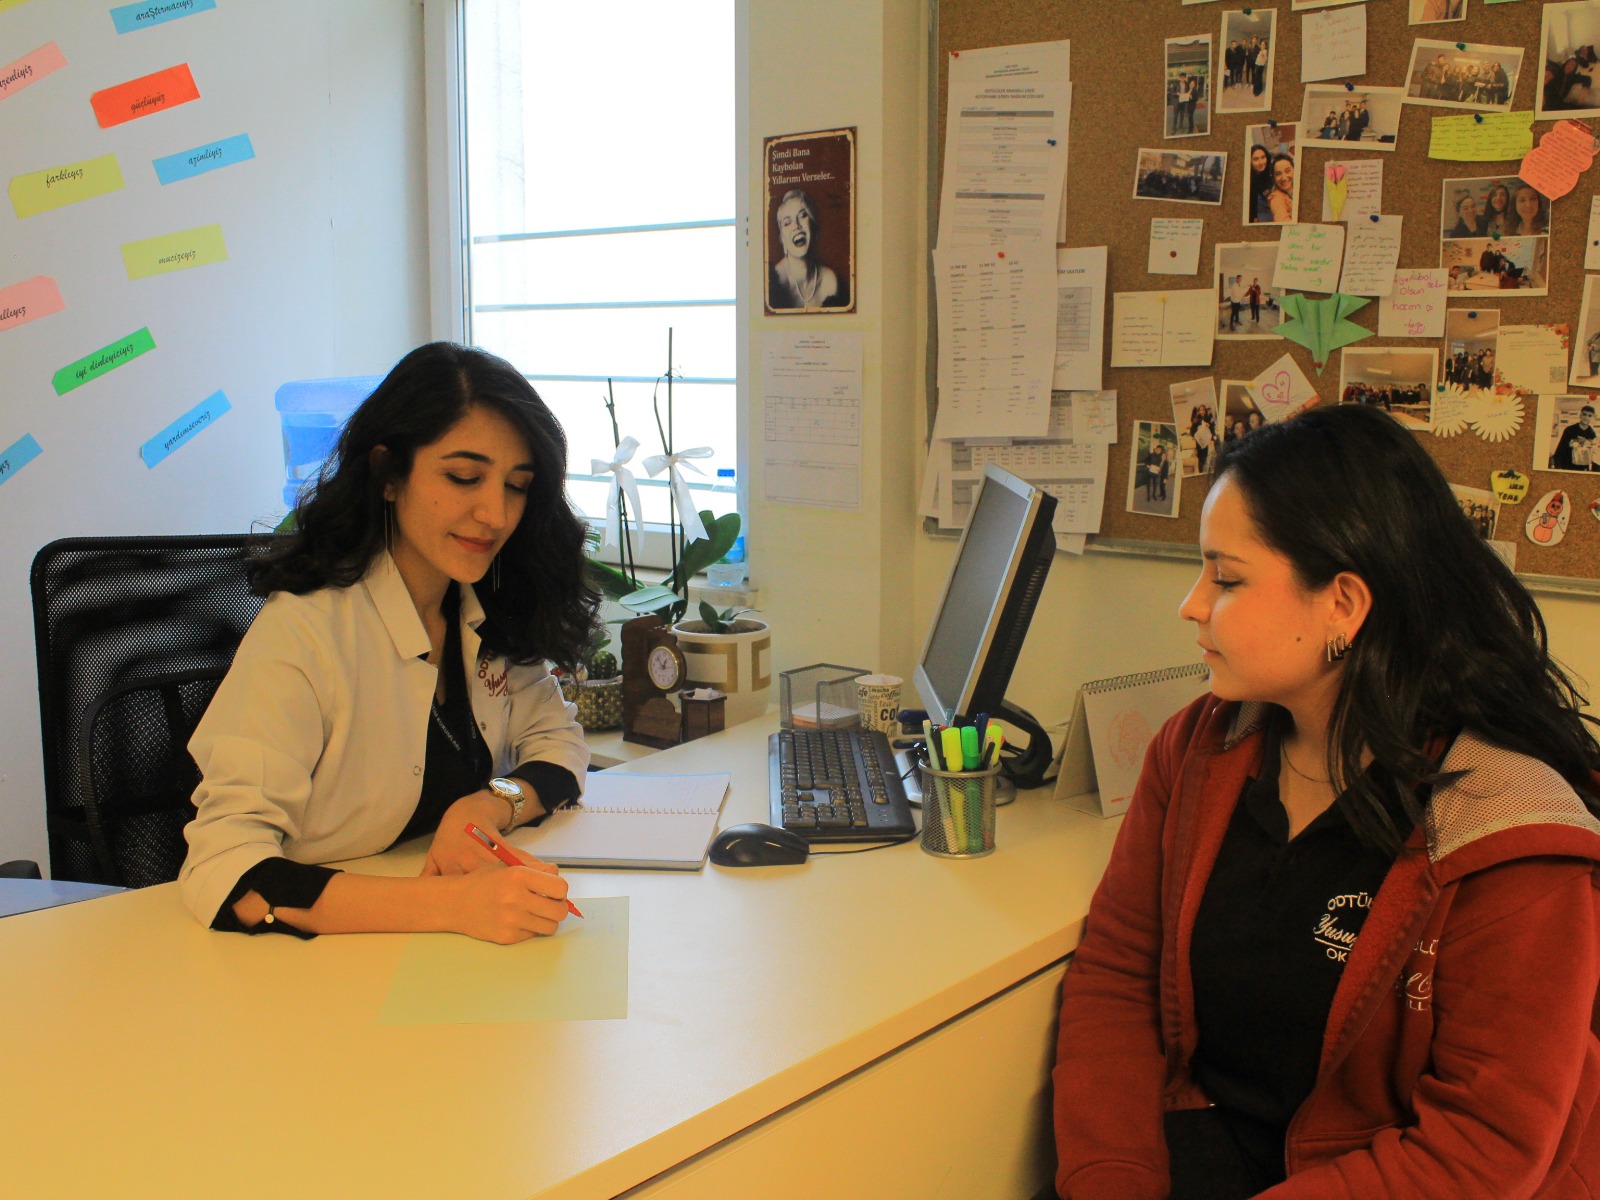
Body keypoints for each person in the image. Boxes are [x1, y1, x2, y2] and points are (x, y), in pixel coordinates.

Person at [1052, 403, 1600, 1199]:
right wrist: (1112, 1181)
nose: (1192, 604)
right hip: (1209, 1145)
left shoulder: (1510, 829)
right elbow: (1118, 976)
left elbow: (1481, 1150)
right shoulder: (1202, 747)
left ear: (1343, 605)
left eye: (1227, 577)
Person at [180, 342, 598, 942]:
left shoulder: (481, 604)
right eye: (463, 477)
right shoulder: (306, 631)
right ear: (387, 476)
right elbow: (226, 871)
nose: (495, 514)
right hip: (305, 974)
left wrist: (486, 805)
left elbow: (558, 745)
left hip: (436, 965)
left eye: (516, 485)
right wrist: (452, 906)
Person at [768, 188, 847, 311]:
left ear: (814, 227)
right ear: (782, 238)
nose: (796, 225)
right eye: (787, 222)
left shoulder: (829, 281)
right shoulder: (773, 282)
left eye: (803, 216)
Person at [1551, 404, 1599, 471]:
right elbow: (1560, 451)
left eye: (1589, 415)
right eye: (1584, 414)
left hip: (1583, 468)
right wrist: (1558, 468)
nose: (1586, 417)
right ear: (1580, 415)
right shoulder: (1569, 430)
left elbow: (1592, 454)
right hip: (1567, 466)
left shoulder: (1592, 434)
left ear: (1593, 417)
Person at [1247, 145, 1273, 223]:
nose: (1261, 162)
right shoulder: (1249, 180)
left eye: (1263, 157)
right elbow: (1252, 200)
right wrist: (1254, 218)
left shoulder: (1268, 171)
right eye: (1256, 159)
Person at [1267, 152, 1295, 223]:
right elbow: (1282, 222)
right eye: (1278, 174)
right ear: (1274, 178)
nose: (1284, 178)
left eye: (1287, 171)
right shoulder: (1276, 198)